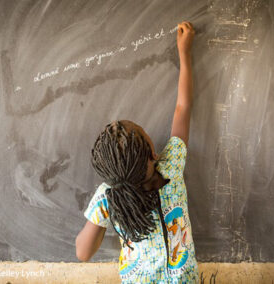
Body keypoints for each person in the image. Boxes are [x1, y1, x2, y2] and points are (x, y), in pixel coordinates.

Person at [75, 21, 198, 283]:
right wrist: (184, 54)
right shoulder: (171, 168)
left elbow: (83, 252)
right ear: (154, 152)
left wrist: (105, 200)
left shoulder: (109, 197)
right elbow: (183, 108)